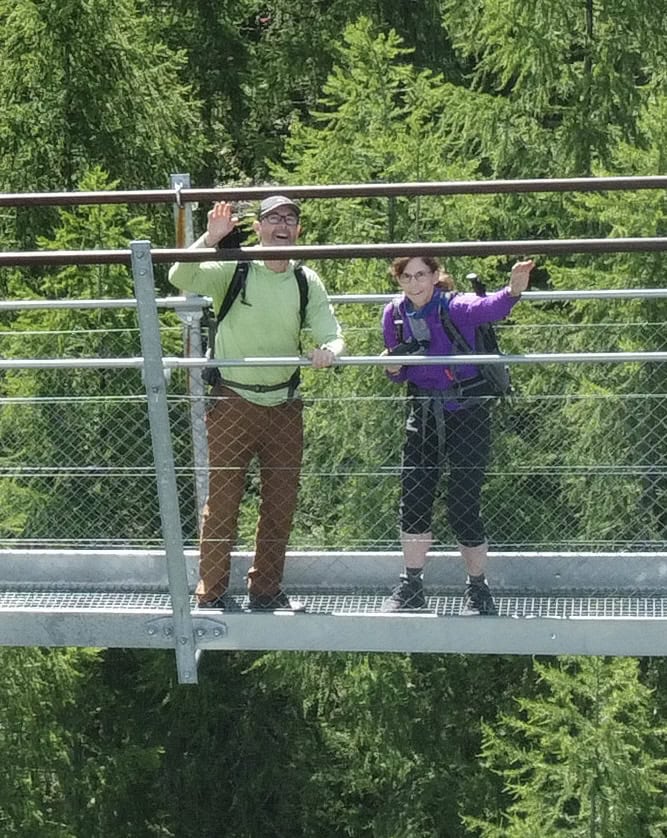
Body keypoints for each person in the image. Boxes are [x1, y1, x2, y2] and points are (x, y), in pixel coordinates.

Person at [169, 196, 344, 611]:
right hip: (233, 401)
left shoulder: (305, 279)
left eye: (290, 219)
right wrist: (210, 239)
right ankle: (210, 594)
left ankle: (266, 590)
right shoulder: (235, 267)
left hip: (285, 405)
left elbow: (332, 333)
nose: (282, 225)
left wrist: (329, 351)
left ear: (298, 230)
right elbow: (180, 274)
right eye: (273, 218)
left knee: (280, 503)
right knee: (223, 503)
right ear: (259, 227)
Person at [381, 255, 534, 614]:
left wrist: (513, 289)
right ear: (398, 280)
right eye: (407, 277)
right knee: (414, 499)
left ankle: (478, 589)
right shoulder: (395, 315)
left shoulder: (454, 306)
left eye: (422, 275)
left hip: (468, 413)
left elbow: (491, 308)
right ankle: (411, 586)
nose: (415, 283)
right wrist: (392, 367)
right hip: (422, 413)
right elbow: (398, 375)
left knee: (464, 503)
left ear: (435, 275)